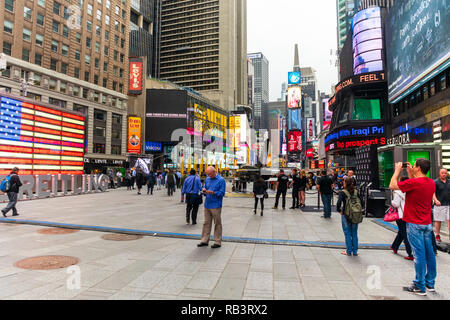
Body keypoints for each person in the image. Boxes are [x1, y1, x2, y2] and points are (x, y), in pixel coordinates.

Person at [389, 159, 436, 296]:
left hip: (414, 224)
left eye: (414, 165)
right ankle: (430, 282)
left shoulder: (414, 183)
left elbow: (392, 185)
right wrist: (410, 173)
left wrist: (397, 171)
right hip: (427, 223)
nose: (413, 167)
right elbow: (415, 186)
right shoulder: (431, 182)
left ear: (419, 168)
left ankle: (419, 285)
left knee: (419, 255)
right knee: (430, 253)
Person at [198, 167, 226, 249]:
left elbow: (222, 193)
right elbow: (205, 188)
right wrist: (204, 190)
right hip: (207, 204)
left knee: (217, 223)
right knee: (206, 223)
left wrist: (213, 192)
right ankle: (204, 240)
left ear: (214, 172)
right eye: (208, 174)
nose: (209, 176)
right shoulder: (208, 179)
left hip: (216, 205)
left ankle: (217, 241)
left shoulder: (221, 180)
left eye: (210, 174)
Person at [337, 177, 363, 256]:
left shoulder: (343, 192)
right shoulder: (356, 191)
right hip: (355, 214)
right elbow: (362, 201)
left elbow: (338, 203)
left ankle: (348, 251)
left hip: (346, 214)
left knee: (347, 233)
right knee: (354, 233)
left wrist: (340, 211)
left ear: (345, 183)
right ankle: (355, 251)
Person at [390, 176, 414, 260]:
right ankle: (394, 246)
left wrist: (392, 202)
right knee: (402, 231)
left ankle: (410, 253)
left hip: (400, 215)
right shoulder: (411, 190)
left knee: (404, 234)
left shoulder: (398, 192)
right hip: (409, 214)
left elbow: (396, 204)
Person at [432, 168, 449, 242]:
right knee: (438, 220)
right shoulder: (435, 182)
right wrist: (436, 200)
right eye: (442, 173)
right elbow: (433, 193)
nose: (444, 174)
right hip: (440, 204)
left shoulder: (449, 181)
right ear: (439, 173)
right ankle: (437, 235)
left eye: (445, 173)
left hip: (449, 204)